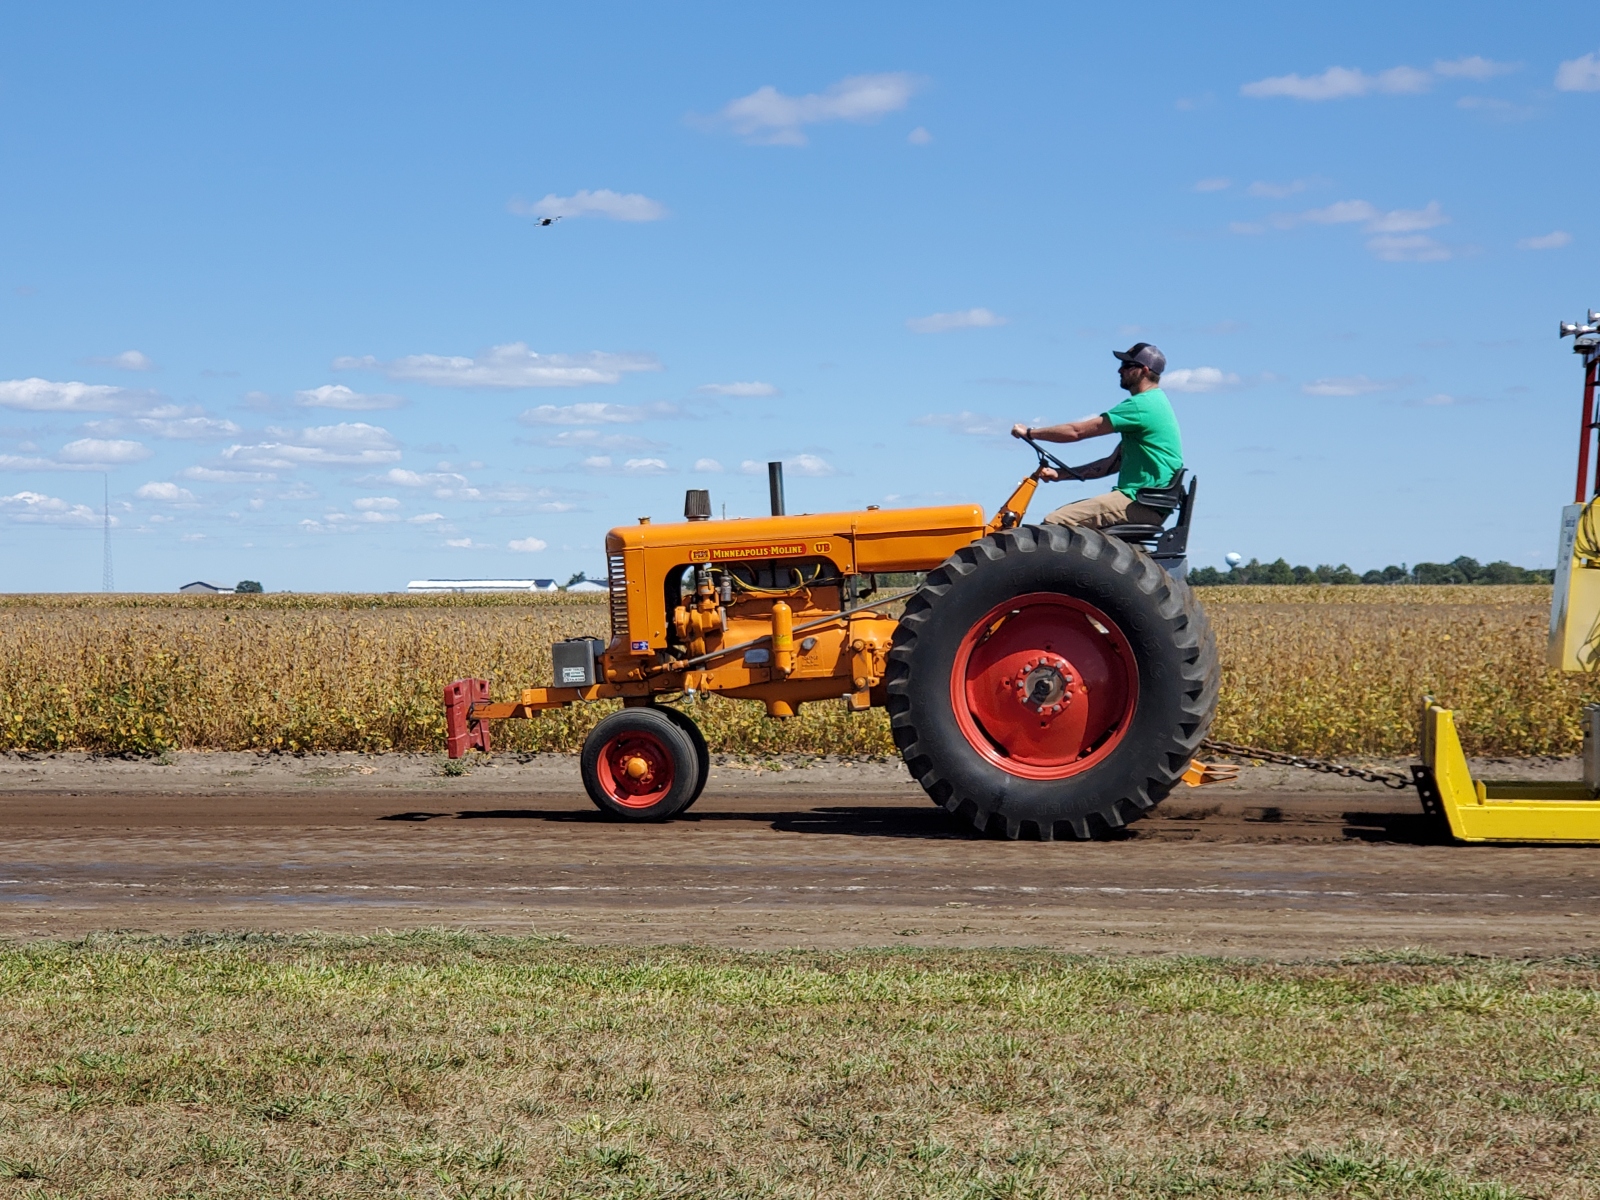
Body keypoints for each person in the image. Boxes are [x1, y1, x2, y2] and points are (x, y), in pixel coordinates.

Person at [1010, 342, 1183, 529]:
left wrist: (1030, 433)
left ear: (1144, 370)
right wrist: (1060, 474)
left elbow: (1076, 432)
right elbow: (1109, 465)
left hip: (1140, 502)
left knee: (1055, 522)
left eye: (1126, 365)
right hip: (1148, 503)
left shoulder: (1142, 405)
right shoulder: (1155, 404)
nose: (1119, 370)